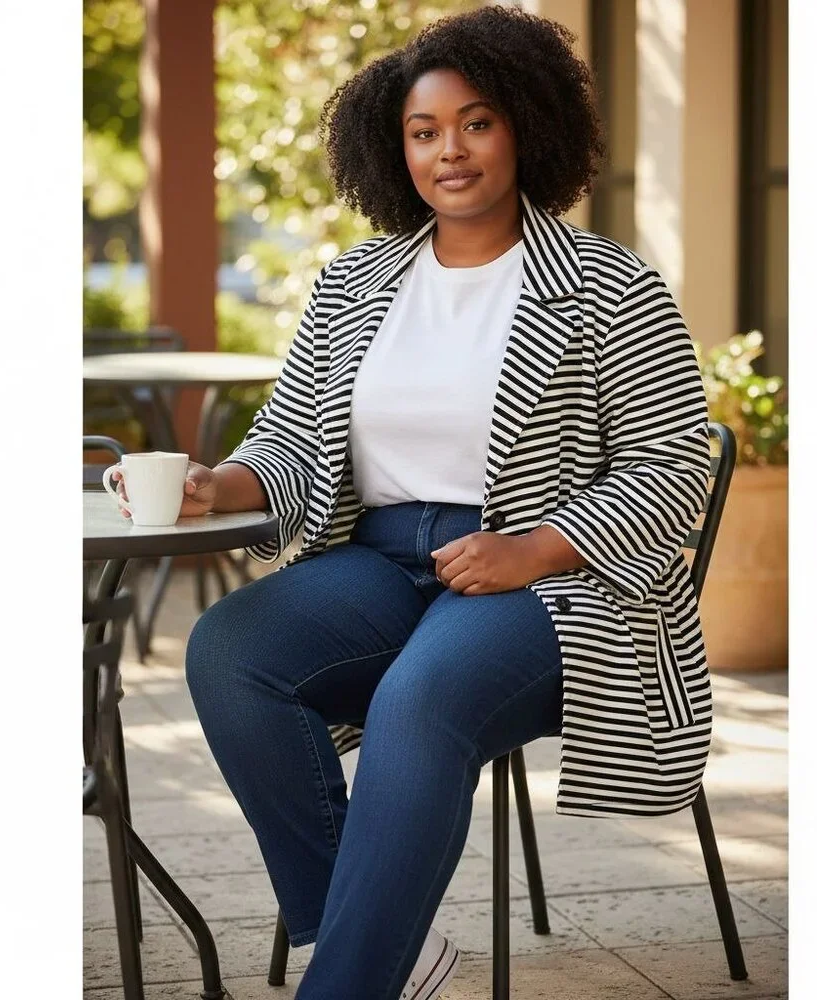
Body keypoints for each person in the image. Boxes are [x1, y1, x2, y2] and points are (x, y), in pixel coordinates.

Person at [113, 7, 713, 998]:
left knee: (420, 698)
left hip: (550, 583)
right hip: (385, 561)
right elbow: (292, 435)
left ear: (525, 123)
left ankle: (347, 981)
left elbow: (671, 463)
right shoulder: (356, 280)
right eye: (423, 131)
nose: (449, 150)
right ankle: (392, 943)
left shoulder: (612, 285)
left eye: (475, 122)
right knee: (229, 651)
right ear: (394, 150)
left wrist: (539, 547)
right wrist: (223, 482)